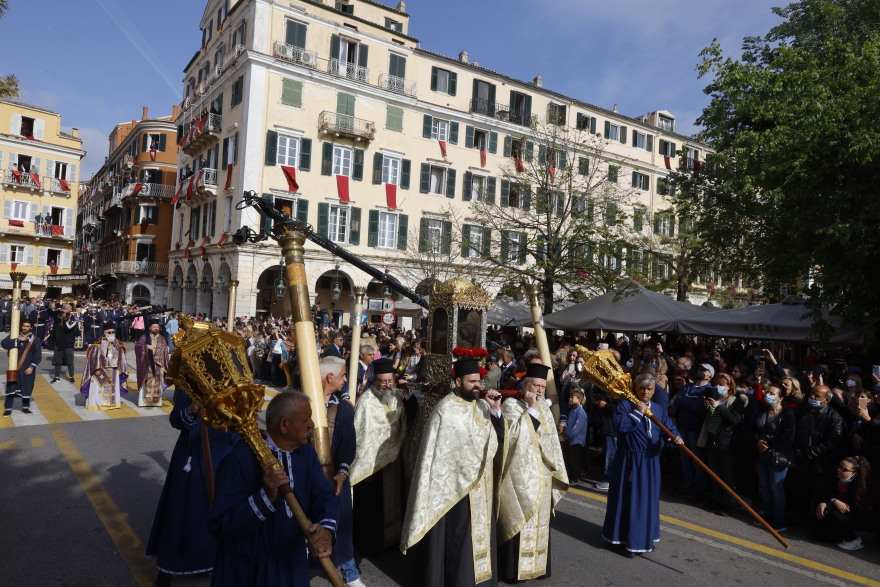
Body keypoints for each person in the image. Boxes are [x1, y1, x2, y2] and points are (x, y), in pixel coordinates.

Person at [208, 391, 338, 586]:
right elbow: (220, 524)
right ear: (284, 425)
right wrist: (266, 496)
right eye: (305, 419)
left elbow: (324, 496)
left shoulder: (306, 454)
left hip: (291, 565)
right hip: (247, 569)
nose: (311, 424)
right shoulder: (240, 457)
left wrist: (326, 531)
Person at [401, 358, 504, 586]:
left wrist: (496, 412)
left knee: (480, 538)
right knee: (459, 539)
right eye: (472, 381)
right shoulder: (444, 410)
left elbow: (496, 442)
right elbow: (435, 456)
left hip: (481, 487)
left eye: (479, 381)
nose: (477, 386)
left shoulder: (483, 406)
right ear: (458, 382)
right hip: (455, 489)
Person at [146, 388, 237, 586]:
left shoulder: (231, 380)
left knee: (221, 508)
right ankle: (168, 566)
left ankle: (214, 560)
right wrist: (191, 409)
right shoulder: (187, 382)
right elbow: (176, 419)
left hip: (225, 452)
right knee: (182, 508)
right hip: (193, 451)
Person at [497, 362, 568, 582]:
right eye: (535, 385)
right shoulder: (511, 405)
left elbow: (550, 440)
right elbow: (513, 438)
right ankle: (514, 571)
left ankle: (537, 567)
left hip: (543, 473)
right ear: (525, 385)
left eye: (541, 387)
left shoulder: (544, 408)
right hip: (519, 476)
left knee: (540, 522)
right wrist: (530, 411)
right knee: (520, 517)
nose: (539, 390)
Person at [602, 373, 684, 557]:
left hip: (650, 461)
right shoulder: (625, 405)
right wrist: (637, 413)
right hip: (629, 461)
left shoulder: (658, 409)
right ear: (635, 389)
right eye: (642, 389)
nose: (645, 392)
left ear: (654, 391)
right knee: (628, 498)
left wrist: (675, 437)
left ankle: (643, 538)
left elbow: (668, 427)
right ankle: (622, 539)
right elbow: (618, 426)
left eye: (649, 389)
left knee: (647, 500)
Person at [351, 358, 418, 555]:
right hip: (372, 465)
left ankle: (391, 541)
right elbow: (361, 437)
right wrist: (366, 465)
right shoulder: (366, 403)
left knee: (393, 501)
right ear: (375, 380)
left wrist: (408, 396)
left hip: (394, 460)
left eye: (390, 381)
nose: (387, 385)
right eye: (382, 381)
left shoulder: (397, 396)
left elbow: (410, 416)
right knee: (372, 507)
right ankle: (370, 546)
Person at [317, 356, 363, 587]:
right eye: (344, 375)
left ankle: (350, 573)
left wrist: (342, 471)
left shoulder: (343, 408)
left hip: (335, 475)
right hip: (307, 476)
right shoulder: (302, 402)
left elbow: (348, 443)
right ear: (330, 376)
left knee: (342, 524)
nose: (346, 379)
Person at [702, 372, 748, 516]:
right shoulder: (713, 398)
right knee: (714, 472)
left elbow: (734, 419)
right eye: (716, 384)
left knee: (727, 474)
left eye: (721, 385)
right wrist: (706, 406)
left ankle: (727, 503)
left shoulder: (736, 401)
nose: (717, 387)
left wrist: (719, 407)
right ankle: (715, 499)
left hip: (726, 442)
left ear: (729, 386)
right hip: (711, 438)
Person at [754, 382, 795, 531]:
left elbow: (788, 437)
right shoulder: (763, 411)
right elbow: (755, 429)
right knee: (764, 486)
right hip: (761, 454)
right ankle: (768, 514)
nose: (768, 395)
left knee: (776, 487)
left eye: (772, 393)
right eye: (767, 392)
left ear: (780, 398)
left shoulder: (787, 414)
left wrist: (769, 443)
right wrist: (758, 441)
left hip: (778, 455)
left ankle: (778, 519)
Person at [815, 456, 874, 551]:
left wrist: (829, 504)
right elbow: (823, 492)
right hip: (837, 510)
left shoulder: (860, 487)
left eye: (844, 469)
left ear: (854, 474)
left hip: (857, 516)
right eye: (839, 467)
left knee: (833, 515)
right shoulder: (832, 478)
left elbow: (850, 509)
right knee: (818, 534)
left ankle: (854, 539)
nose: (839, 470)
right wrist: (831, 501)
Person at [80, 322, 129, 410]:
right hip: (101, 369)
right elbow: (94, 357)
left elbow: (122, 357)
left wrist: (121, 369)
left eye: (113, 332)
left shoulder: (118, 343)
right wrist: (96, 369)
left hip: (114, 370)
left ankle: (112, 404)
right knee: (99, 388)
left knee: (113, 388)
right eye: (109, 332)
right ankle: (97, 404)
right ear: (104, 333)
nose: (111, 334)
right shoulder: (98, 343)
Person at [2, 319, 42, 416]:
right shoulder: (15, 336)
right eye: (23, 326)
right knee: (11, 387)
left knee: (27, 387)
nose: (25, 328)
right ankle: (8, 408)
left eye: (27, 326)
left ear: (31, 327)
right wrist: (17, 340)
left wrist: (31, 367)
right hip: (13, 367)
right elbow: (3, 344)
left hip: (27, 368)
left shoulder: (35, 339)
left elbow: (37, 355)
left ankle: (25, 407)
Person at [135, 319, 170, 407]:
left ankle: (156, 401)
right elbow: (138, 347)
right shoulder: (144, 337)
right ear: (150, 328)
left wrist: (158, 355)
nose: (156, 328)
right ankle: (143, 401)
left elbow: (165, 350)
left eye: (157, 327)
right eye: (154, 327)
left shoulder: (162, 338)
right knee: (145, 382)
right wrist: (146, 347)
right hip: (147, 364)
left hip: (159, 365)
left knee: (159, 382)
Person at [50, 303, 79, 384]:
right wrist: (59, 310)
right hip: (58, 343)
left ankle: (71, 376)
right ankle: (56, 377)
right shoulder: (58, 316)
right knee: (58, 361)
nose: (70, 311)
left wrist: (68, 317)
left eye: (70, 309)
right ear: (64, 309)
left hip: (69, 343)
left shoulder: (72, 317)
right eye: (68, 309)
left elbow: (69, 327)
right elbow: (50, 313)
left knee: (70, 361)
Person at [564, 388, 588, 480]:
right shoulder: (573, 410)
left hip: (576, 440)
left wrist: (569, 434)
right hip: (571, 439)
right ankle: (571, 476)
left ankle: (575, 477)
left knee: (575, 461)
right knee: (571, 459)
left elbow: (576, 428)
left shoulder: (581, 412)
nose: (570, 399)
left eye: (572, 397)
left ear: (579, 400)